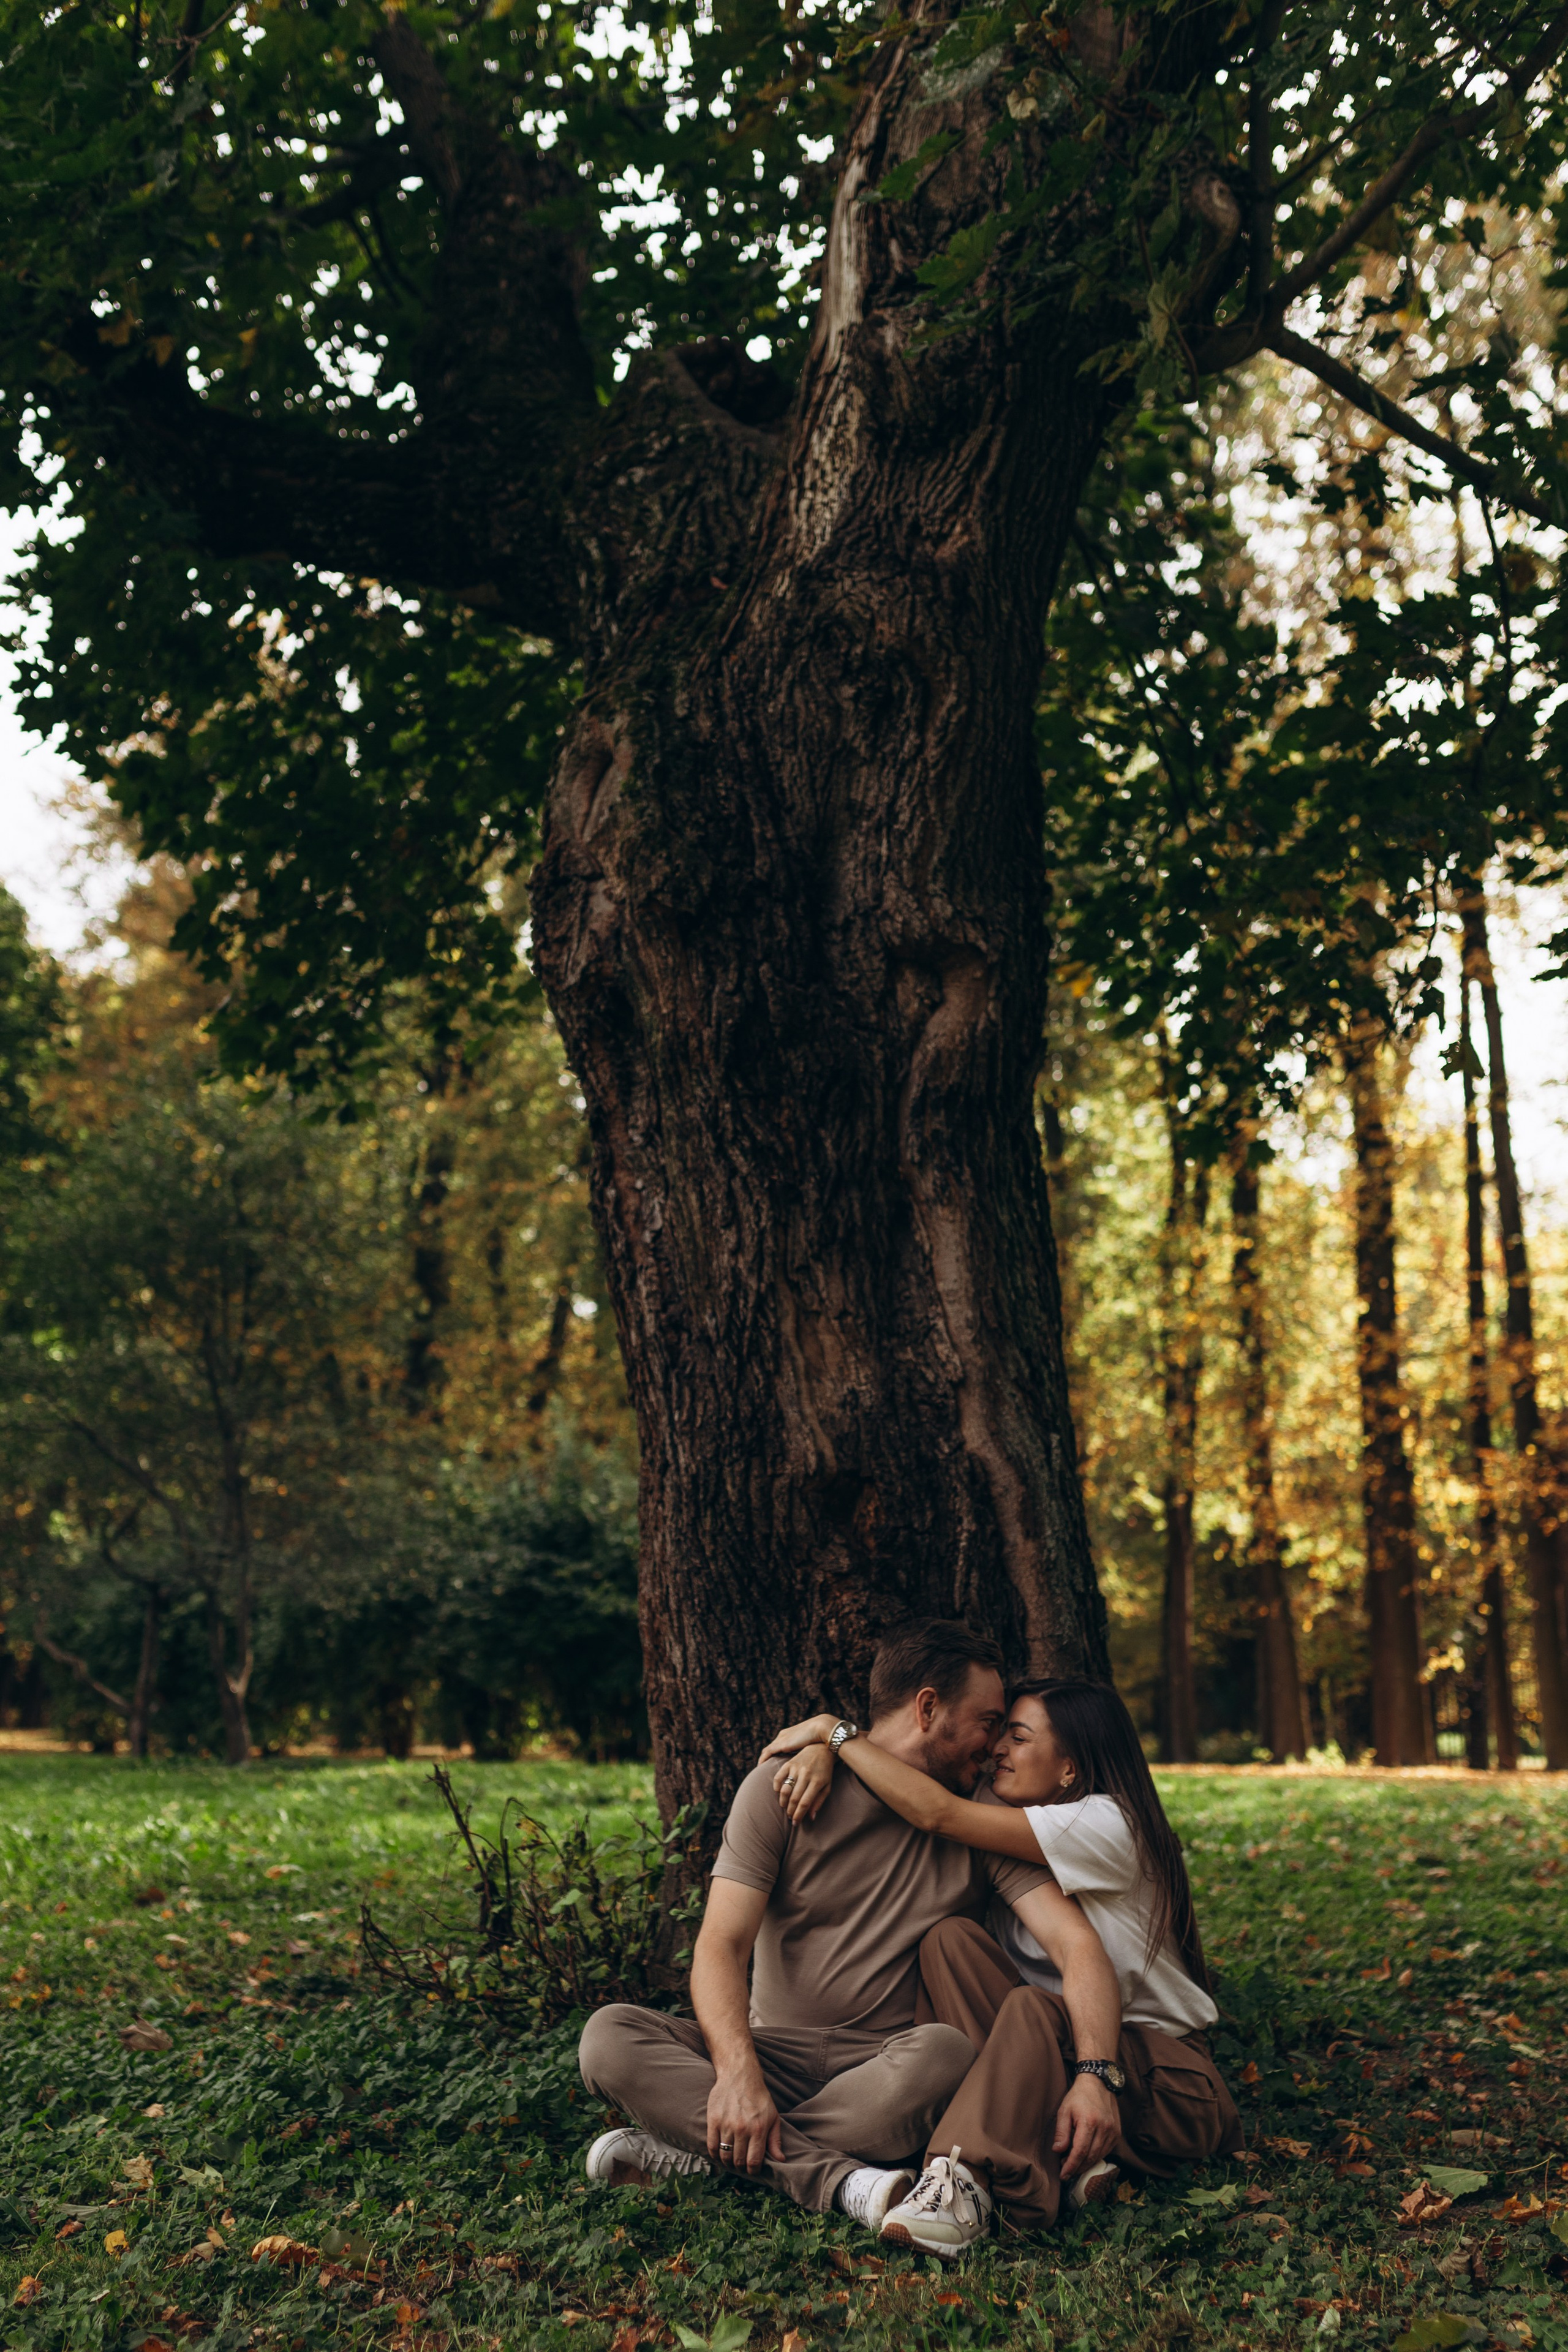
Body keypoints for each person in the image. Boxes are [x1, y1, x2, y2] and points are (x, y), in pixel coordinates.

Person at [578, 1621, 1126, 2237]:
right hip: (774, 2052)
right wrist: (737, 2076)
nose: (995, 1744)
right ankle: (839, 2180)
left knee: (947, 2051)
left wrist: (1095, 2072)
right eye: (987, 1721)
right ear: (927, 1708)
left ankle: (711, 2154)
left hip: (890, 2065)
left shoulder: (979, 1815)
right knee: (608, 2036)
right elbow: (721, 1945)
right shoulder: (780, 1787)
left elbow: (1071, 1941)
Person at [761, 1677, 1242, 2256]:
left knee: (1034, 2006)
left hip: (1167, 2085)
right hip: (1069, 2053)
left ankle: (961, 2178)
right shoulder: (1013, 1834)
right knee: (950, 1942)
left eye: (1018, 1738)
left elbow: (936, 1812)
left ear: (1069, 1768)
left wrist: (832, 1733)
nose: (997, 1751)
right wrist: (823, 1756)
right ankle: (1062, 2161)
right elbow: (919, 1783)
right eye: (998, 1735)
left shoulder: (1106, 1823)